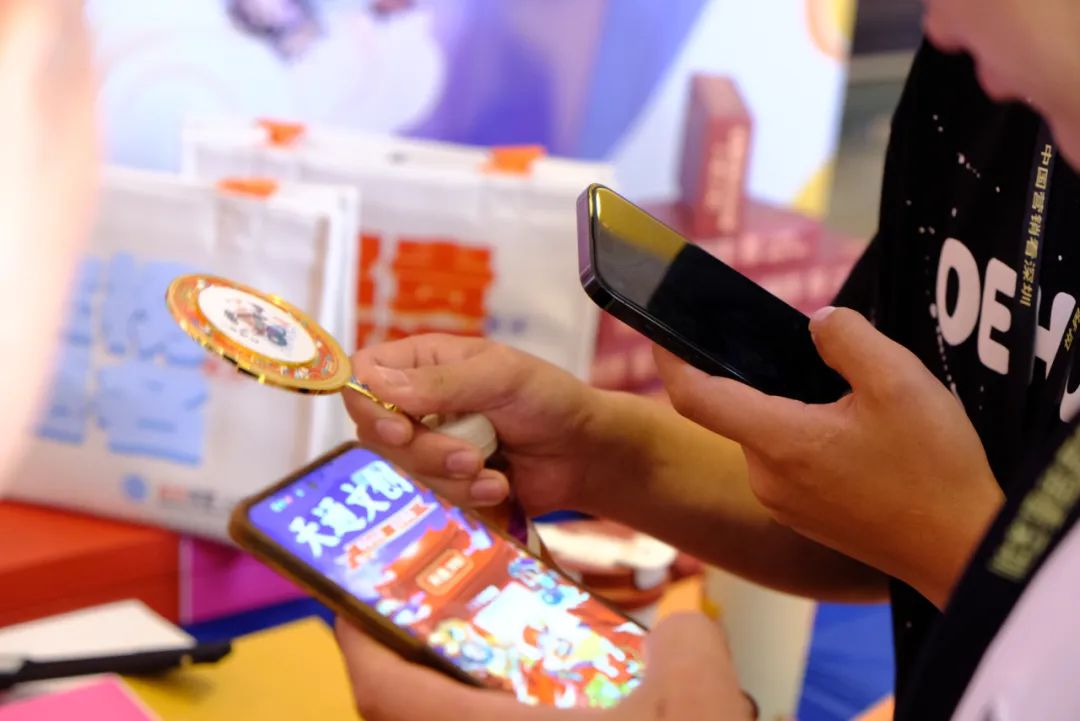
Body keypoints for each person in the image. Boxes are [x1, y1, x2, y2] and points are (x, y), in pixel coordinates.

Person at [336, 0, 1080, 718]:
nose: (933, 22)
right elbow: (870, 511)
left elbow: (919, 520)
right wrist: (592, 446)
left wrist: (949, 544)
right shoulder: (979, 76)